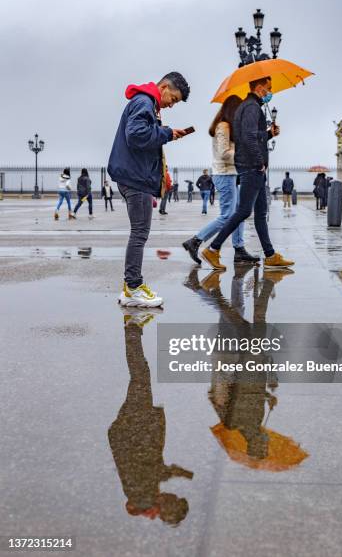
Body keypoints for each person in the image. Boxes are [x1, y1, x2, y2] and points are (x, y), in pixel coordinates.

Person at [108, 71, 190, 307]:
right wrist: (165, 133)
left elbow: (142, 140)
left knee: (139, 232)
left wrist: (168, 135)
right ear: (164, 87)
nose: (171, 105)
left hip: (134, 176)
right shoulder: (145, 102)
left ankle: (130, 288)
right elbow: (135, 136)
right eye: (173, 99)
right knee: (140, 233)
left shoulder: (146, 103)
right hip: (135, 179)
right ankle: (133, 287)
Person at [200, 76, 294, 271]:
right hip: (252, 167)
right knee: (243, 211)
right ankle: (213, 249)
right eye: (268, 88)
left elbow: (248, 136)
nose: (270, 92)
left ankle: (270, 255)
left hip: (249, 165)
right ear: (259, 87)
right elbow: (250, 137)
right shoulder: (252, 107)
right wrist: (260, 162)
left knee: (260, 213)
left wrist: (269, 134)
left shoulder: (247, 107)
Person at [108, 309, 193, 525]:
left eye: (173, 500)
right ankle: (132, 330)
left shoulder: (143, 497)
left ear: (166, 509)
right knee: (140, 376)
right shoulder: (145, 497)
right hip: (135, 429)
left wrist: (180, 473)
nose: (172, 495)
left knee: (140, 375)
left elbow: (154, 471)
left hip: (133, 429)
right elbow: (154, 473)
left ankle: (132, 329)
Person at [182, 95, 259, 265]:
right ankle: (195, 241)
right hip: (224, 174)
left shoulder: (229, 127)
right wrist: (243, 155)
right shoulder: (223, 127)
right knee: (227, 216)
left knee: (238, 213)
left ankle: (239, 248)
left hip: (230, 174)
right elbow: (224, 153)